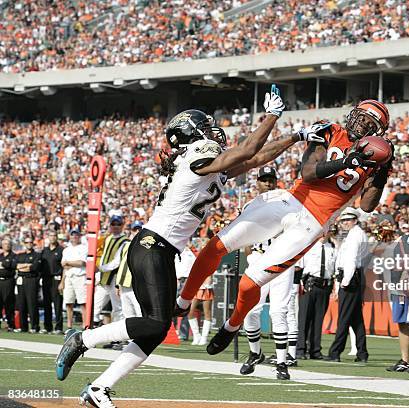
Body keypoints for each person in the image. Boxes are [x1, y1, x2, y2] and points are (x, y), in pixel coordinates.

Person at [55, 86, 303, 408]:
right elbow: (246, 151)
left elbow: (256, 158)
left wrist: (298, 135)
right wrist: (272, 115)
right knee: (157, 323)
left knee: (156, 329)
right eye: (207, 126)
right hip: (152, 246)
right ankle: (82, 339)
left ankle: (99, 388)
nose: (215, 131)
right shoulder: (197, 155)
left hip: (161, 250)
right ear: (194, 135)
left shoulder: (203, 161)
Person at [179, 99, 393, 358]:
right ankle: (182, 302)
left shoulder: (373, 157)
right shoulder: (330, 131)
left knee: (250, 283)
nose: (361, 124)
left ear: (376, 132)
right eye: (361, 117)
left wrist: (380, 172)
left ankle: (232, 325)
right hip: (290, 201)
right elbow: (309, 172)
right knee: (216, 246)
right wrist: (346, 162)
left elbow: (368, 205)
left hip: (312, 224)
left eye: (370, 124)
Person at [240, 166, 300, 379]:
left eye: (270, 179)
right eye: (263, 180)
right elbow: (245, 236)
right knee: (250, 310)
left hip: (282, 260)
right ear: (257, 182)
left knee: (278, 311)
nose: (267, 183)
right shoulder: (250, 205)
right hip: (258, 258)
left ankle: (282, 362)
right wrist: (250, 257)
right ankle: (255, 352)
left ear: (276, 181)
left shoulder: (288, 203)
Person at [325, 207, 369, 362]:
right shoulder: (356, 234)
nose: (344, 223)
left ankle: (335, 352)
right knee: (356, 318)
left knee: (344, 317)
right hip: (355, 277)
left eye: (347, 220)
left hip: (350, 278)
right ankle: (362, 352)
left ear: (355, 220)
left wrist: (344, 281)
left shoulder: (354, 236)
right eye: (342, 220)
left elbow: (350, 260)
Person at [386, 209, 409, 372]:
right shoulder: (402, 240)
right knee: (401, 322)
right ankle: (405, 359)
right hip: (401, 286)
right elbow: (392, 261)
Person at [295, 234, 336, 360]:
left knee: (318, 320)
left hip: (325, 284)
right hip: (310, 284)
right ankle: (300, 349)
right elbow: (298, 266)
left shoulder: (332, 248)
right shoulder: (309, 246)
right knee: (304, 318)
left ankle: (315, 350)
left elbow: (333, 268)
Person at [94, 215, 129, 325]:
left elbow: (116, 262)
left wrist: (100, 268)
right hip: (104, 278)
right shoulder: (108, 238)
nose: (115, 226)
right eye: (113, 224)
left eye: (118, 224)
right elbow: (104, 256)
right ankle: (93, 327)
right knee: (95, 305)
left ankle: (118, 337)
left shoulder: (125, 241)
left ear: (122, 226)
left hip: (115, 279)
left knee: (117, 307)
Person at [60, 229, 88, 332]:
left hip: (80, 276)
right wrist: (62, 281)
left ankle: (85, 325)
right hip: (68, 277)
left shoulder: (84, 248)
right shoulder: (66, 250)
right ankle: (69, 326)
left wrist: (68, 263)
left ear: (79, 236)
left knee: (83, 302)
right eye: (72, 236)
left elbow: (81, 263)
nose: (74, 237)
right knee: (68, 302)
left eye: (76, 235)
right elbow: (63, 266)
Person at [15, 236, 42, 333]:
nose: (29, 244)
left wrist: (24, 267)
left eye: (30, 242)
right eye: (27, 242)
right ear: (24, 243)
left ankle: (34, 326)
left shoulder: (37, 255)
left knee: (32, 304)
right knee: (21, 304)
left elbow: (34, 267)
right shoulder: (20, 255)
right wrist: (26, 265)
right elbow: (16, 266)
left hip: (31, 280)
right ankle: (23, 327)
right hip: (21, 280)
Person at [41, 229, 65, 334]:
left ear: (57, 237)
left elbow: (64, 267)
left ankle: (58, 327)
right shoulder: (44, 250)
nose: (52, 237)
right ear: (48, 237)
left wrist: (62, 281)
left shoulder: (61, 250)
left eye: (54, 235)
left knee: (57, 304)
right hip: (46, 279)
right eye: (51, 235)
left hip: (57, 279)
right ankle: (47, 327)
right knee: (46, 304)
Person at [0, 237, 17, 331]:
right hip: (0, 281)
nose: (7, 245)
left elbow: (11, 265)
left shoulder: (13, 256)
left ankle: (10, 324)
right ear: (2, 245)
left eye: (8, 244)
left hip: (8, 281)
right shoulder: (1, 255)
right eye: (5, 244)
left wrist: (3, 264)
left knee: (8, 303)